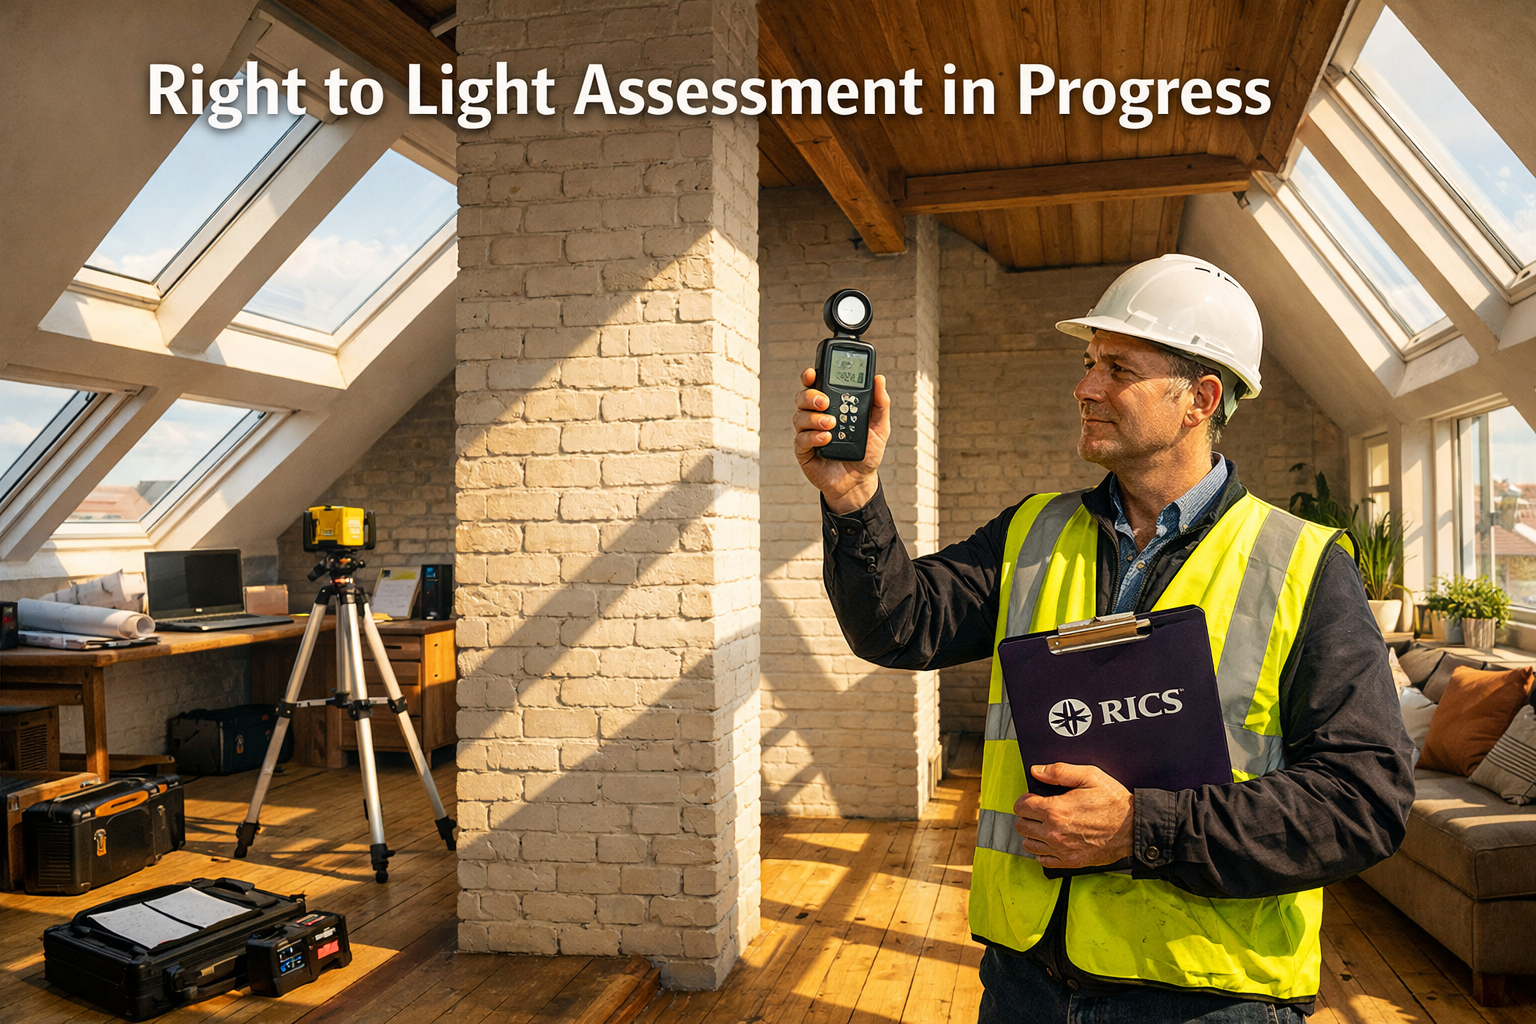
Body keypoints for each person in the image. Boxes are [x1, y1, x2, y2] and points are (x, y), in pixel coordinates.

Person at [792, 254, 1415, 1023]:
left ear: (1200, 399)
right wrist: (854, 500)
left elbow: (1363, 801)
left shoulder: (1305, 566)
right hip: (1026, 984)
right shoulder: (1033, 531)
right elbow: (898, 624)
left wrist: (1139, 830)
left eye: (1118, 367)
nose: (1085, 387)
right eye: (1089, 363)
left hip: (1205, 1000)